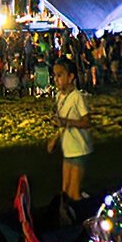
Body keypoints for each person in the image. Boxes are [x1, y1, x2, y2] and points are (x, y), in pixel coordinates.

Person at [49, 60, 93, 201]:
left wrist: (67, 122)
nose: (56, 79)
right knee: (65, 192)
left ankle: (83, 216)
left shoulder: (77, 97)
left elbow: (87, 122)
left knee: (74, 194)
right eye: (55, 75)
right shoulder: (59, 97)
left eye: (60, 75)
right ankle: (67, 217)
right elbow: (61, 124)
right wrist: (55, 139)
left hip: (80, 149)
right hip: (68, 149)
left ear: (70, 77)